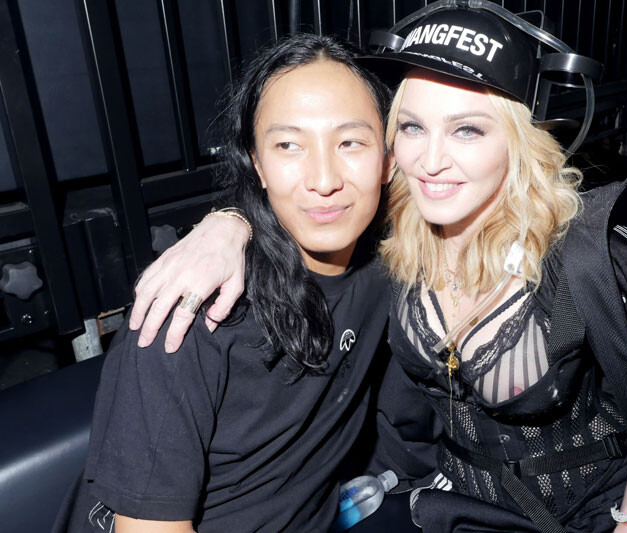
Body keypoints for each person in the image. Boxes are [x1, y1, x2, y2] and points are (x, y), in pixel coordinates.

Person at [129, 5, 627, 532]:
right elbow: (302, 190)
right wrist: (227, 223)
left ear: (518, 143)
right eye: (413, 128)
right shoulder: (392, 243)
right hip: (462, 508)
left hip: (599, 510)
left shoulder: (585, 259)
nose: (432, 161)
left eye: (467, 130)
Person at [56, 33, 407, 532]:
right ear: (257, 164)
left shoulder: (391, 262)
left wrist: (230, 219)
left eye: (350, 142)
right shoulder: (193, 315)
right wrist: (230, 220)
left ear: (388, 159)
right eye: (289, 145)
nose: (324, 179)